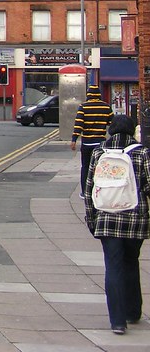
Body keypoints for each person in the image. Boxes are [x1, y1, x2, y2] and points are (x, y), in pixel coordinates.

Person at [83, 115, 150, 334]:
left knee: (113, 266)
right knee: (131, 261)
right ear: (132, 131)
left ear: (110, 130)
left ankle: (117, 322)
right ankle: (133, 311)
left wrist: (91, 219)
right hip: (135, 218)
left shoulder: (99, 152)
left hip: (106, 217)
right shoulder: (141, 152)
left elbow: (90, 188)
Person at [71, 85, 112, 197]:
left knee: (85, 167)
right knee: (100, 167)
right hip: (100, 144)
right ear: (99, 94)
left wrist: (74, 140)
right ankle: (99, 191)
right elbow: (112, 124)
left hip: (87, 143)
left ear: (88, 95)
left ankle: (85, 192)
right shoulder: (106, 107)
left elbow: (78, 124)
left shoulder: (83, 107)